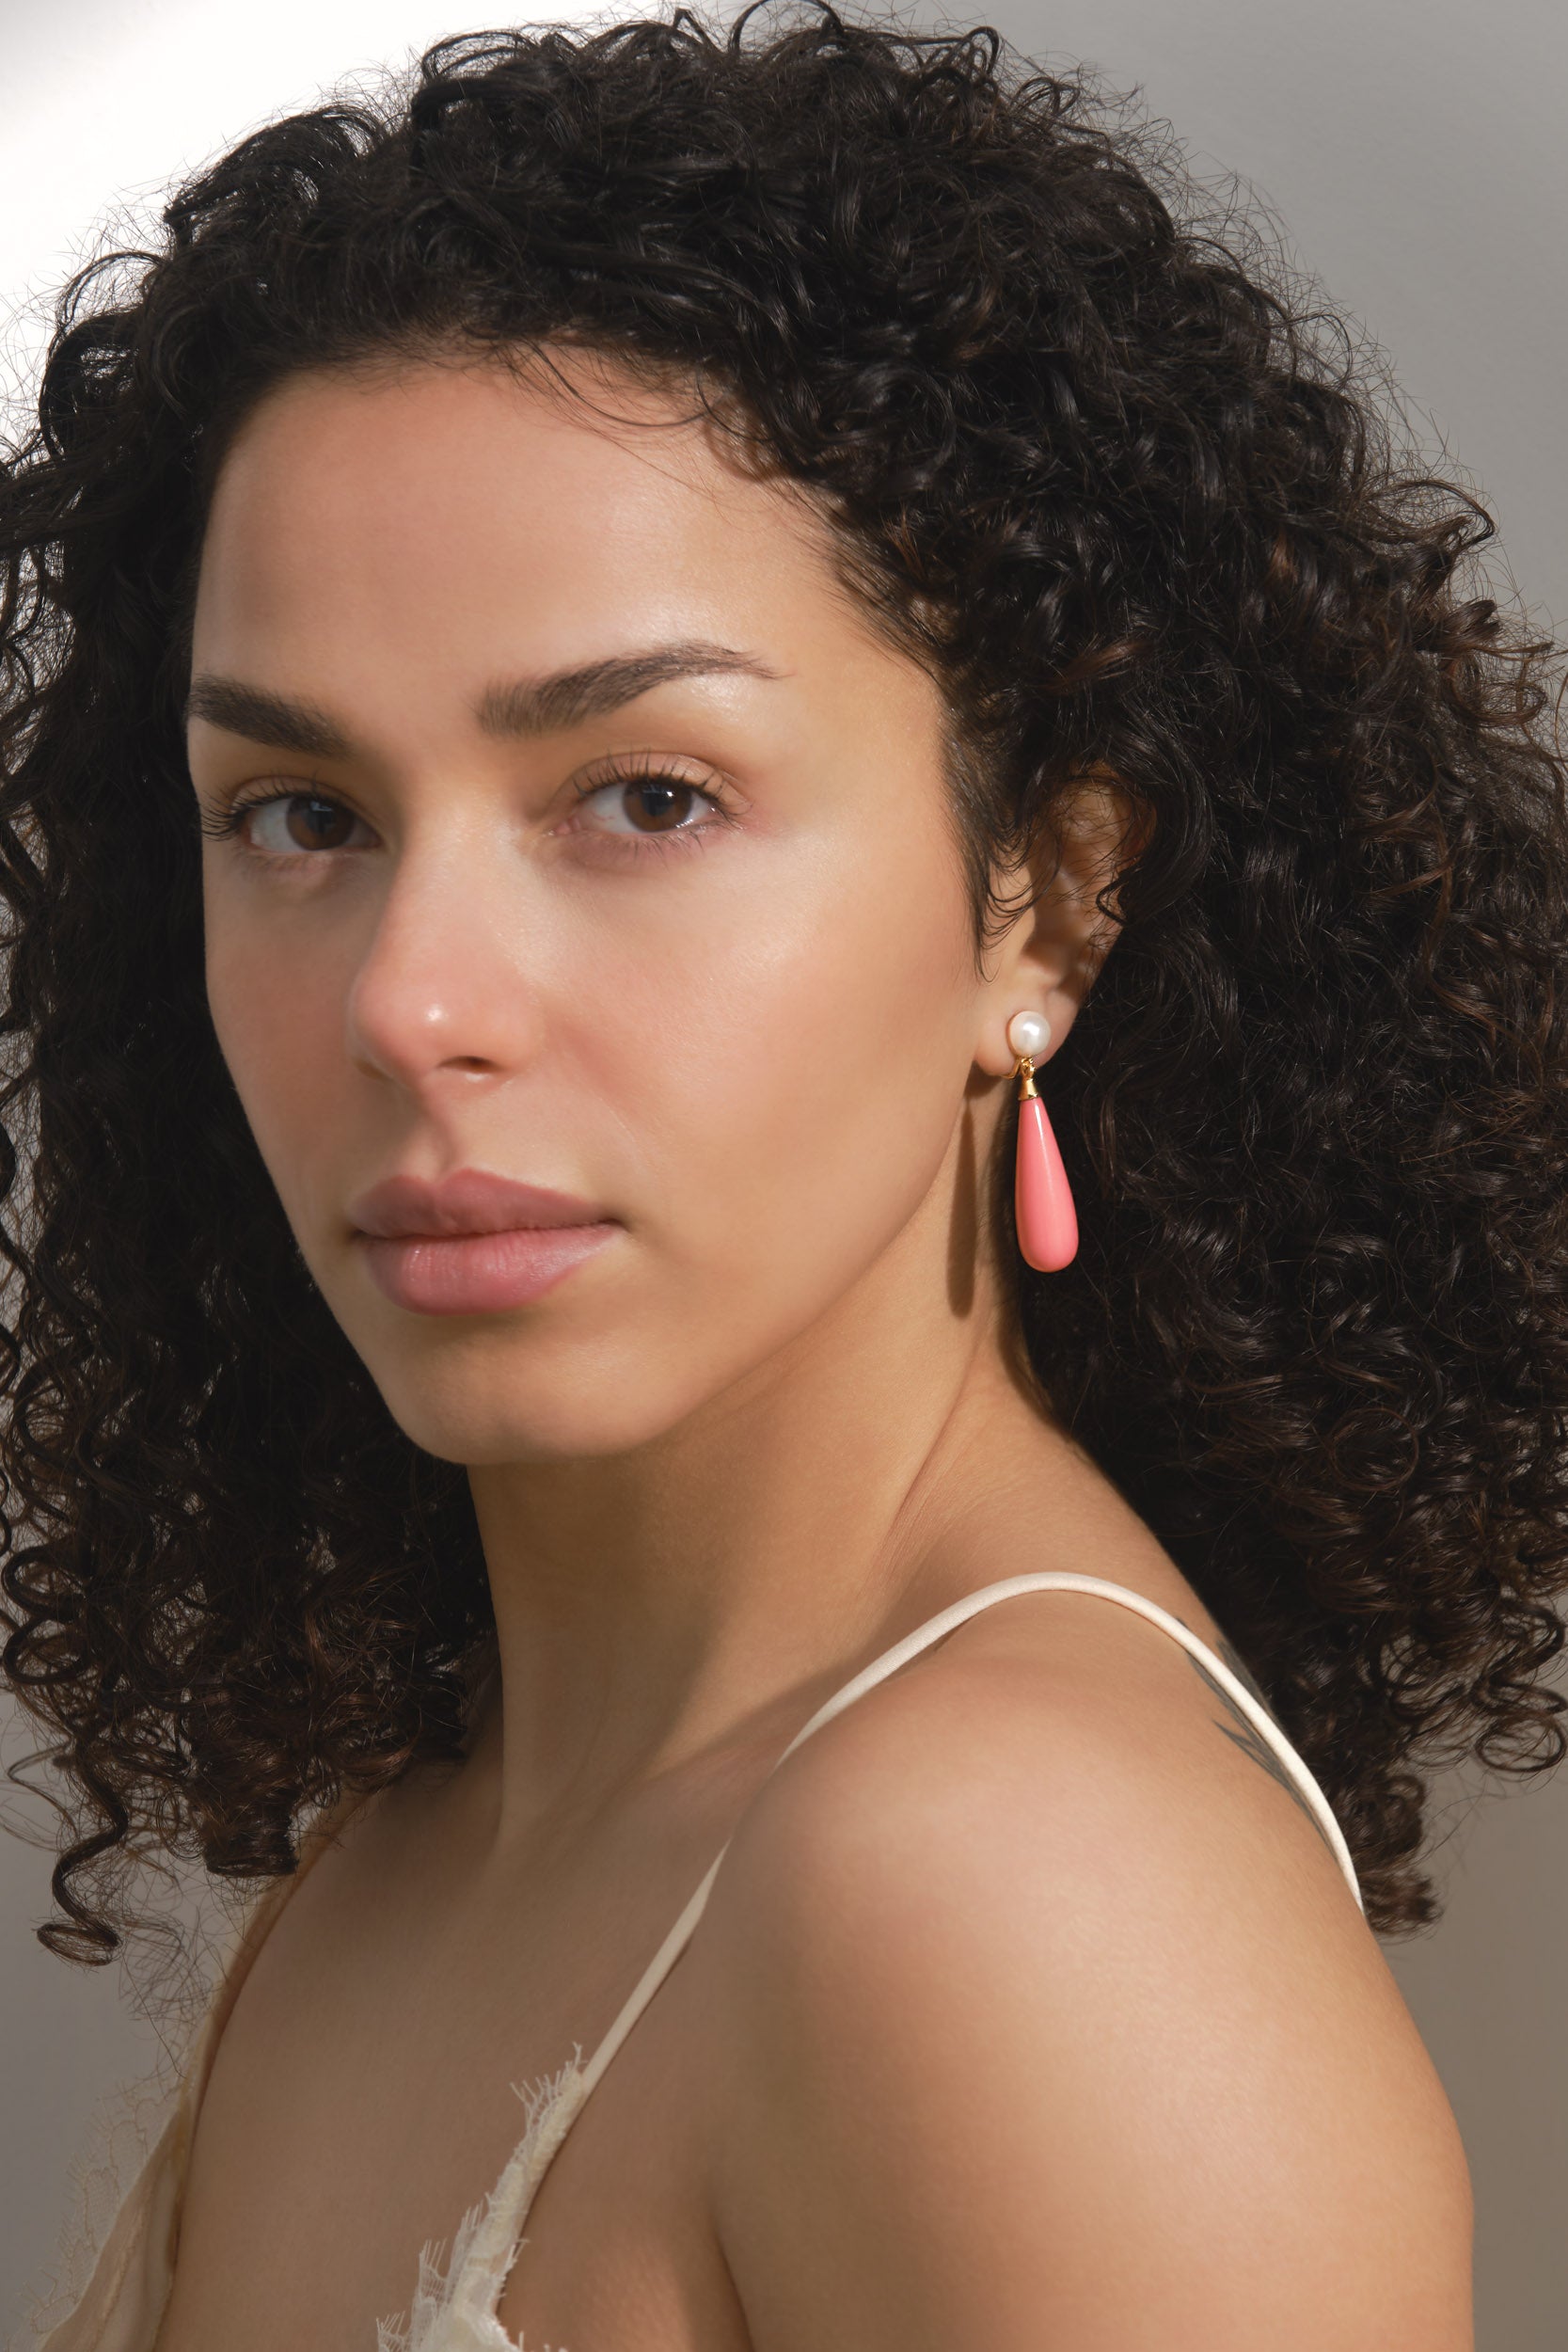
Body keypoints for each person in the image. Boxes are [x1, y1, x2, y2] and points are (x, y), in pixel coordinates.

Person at [2, 3, 1563, 2343]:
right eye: (300, 816)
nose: (410, 1000)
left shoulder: (1019, 1901)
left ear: (1041, 895)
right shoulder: (412, 1842)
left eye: (646, 795)